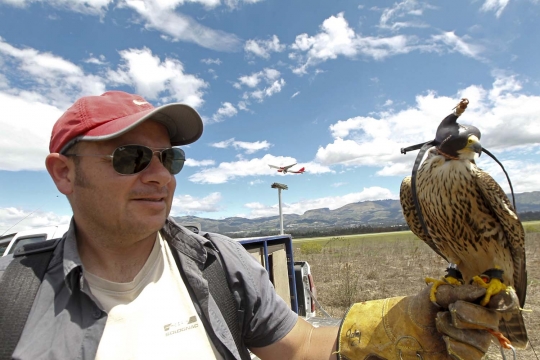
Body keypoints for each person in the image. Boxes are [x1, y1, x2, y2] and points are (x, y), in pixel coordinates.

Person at [0, 91, 505, 360]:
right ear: (64, 173)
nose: (158, 176)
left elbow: (301, 348)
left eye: (169, 158)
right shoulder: (11, 291)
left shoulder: (219, 264)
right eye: (131, 157)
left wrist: (405, 327)